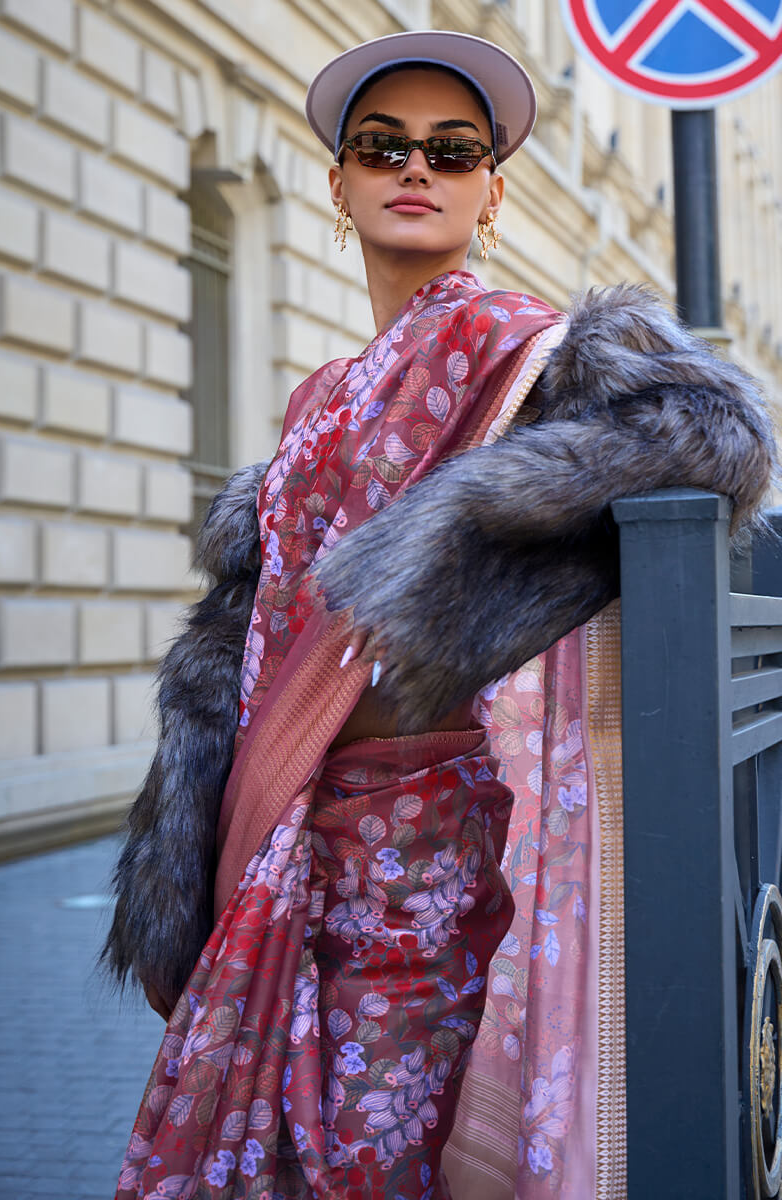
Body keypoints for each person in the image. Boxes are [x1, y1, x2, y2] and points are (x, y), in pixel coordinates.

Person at [103, 29, 775, 1200]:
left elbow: (713, 433)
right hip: (279, 843)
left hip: (431, 856)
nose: (414, 167)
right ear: (339, 181)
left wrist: (453, 574)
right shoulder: (316, 401)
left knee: (378, 1152)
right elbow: (247, 639)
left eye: (451, 151)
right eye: (382, 146)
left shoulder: (519, 347)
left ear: (491, 191)